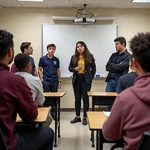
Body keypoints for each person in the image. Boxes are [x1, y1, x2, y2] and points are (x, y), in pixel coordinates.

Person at [0, 29, 54, 150]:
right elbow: (30, 116)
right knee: (48, 133)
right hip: (7, 143)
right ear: (10, 52)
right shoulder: (15, 81)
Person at [102, 32, 150, 150]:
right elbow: (108, 66)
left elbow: (109, 134)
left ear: (135, 63)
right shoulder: (114, 55)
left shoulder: (125, 98)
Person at [14, 53, 52, 127]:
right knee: (48, 120)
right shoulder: (36, 80)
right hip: (29, 118)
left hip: (11, 118)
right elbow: (40, 103)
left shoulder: (9, 78)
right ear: (28, 66)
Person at [69, 41, 96, 125]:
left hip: (86, 80)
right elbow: (70, 68)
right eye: (77, 47)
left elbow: (94, 69)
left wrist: (90, 77)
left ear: (84, 47)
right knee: (77, 99)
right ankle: (77, 117)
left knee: (85, 99)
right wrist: (75, 69)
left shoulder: (90, 56)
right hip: (77, 80)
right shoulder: (73, 57)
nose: (79, 48)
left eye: (81, 46)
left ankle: (85, 117)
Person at [105, 37, 131, 110]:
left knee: (119, 102)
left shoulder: (128, 56)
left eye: (117, 44)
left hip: (120, 82)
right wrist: (117, 65)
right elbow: (107, 67)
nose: (115, 46)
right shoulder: (113, 55)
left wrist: (113, 65)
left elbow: (121, 67)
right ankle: (110, 119)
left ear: (123, 44)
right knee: (108, 102)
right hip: (110, 81)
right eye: (115, 44)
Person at [38, 43, 61, 120]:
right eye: (50, 49)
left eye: (53, 49)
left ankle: (54, 113)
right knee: (45, 97)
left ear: (55, 50)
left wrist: (59, 81)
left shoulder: (56, 59)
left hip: (54, 81)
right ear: (47, 50)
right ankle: (46, 113)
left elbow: (58, 70)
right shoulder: (42, 59)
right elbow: (40, 70)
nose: (51, 50)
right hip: (46, 81)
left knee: (54, 98)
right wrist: (41, 79)